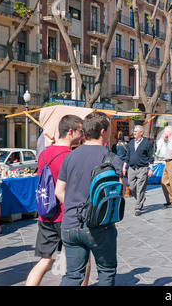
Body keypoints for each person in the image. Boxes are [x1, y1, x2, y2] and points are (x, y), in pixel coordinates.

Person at [55, 111, 124, 286]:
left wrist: (76, 207)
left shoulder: (69, 156)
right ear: (103, 131)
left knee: (72, 276)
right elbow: (120, 193)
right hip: (99, 226)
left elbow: (59, 191)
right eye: (109, 127)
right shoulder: (111, 158)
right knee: (106, 272)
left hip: (70, 224)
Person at [25, 115, 85, 286]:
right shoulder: (71, 156)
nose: (82, 135)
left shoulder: (44, 153)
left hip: (46, 214)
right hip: (67, 216)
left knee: (46, 260)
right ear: (70, 131)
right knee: (82, 262)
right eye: (80, 131)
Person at [123, 125, 154, 216]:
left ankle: (138, 207)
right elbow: (128, 155)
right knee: (132, 187)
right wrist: (124, 166)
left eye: (136, 131)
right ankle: (141, 199)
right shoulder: (131, 142)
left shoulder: (147, 143)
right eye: (134, 131)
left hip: (142, 168)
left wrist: (150, 169)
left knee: (140, 188)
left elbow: (150, 157)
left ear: (141, 133)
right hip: (132, 168)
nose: (134, 133)